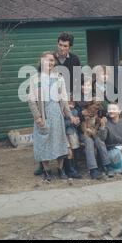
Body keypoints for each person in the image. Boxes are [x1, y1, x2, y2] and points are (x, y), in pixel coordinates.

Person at [34, 32, 81, 176]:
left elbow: (77, 81)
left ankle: (69, 167)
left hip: (67, 102)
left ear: (70, 47)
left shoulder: (74, 59)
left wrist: (72, 99)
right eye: (60, 45)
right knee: (46, 133)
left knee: (68, 132)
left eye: (65, 46)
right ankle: (43, 166)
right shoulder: (51, 58)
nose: (62, 48)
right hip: (50, 102)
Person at [76, 77, 114, 179]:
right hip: (82, 130)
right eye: (83, 85)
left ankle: (107, 165)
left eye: (88, 85)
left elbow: (104, 111)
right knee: (89, 142)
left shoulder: (96, 98)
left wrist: (104, 117)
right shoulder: (77, 100)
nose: (86, 87)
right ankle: (93, 169)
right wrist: (81, 114)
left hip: (95, 129)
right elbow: (75, 115)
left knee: (99, 141)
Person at [64, 98, 82, 179]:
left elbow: (76, 125)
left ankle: (74, 167)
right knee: (69, 152)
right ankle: (69, 169)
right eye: (69, 102)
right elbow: (62, 124)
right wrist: (70, 122)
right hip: (66, 134)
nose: (71, 104)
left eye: (72, 102)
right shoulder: (63, 112)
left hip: (73, 133)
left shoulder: (75, 111)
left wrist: (77, 122)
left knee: (76, 150)